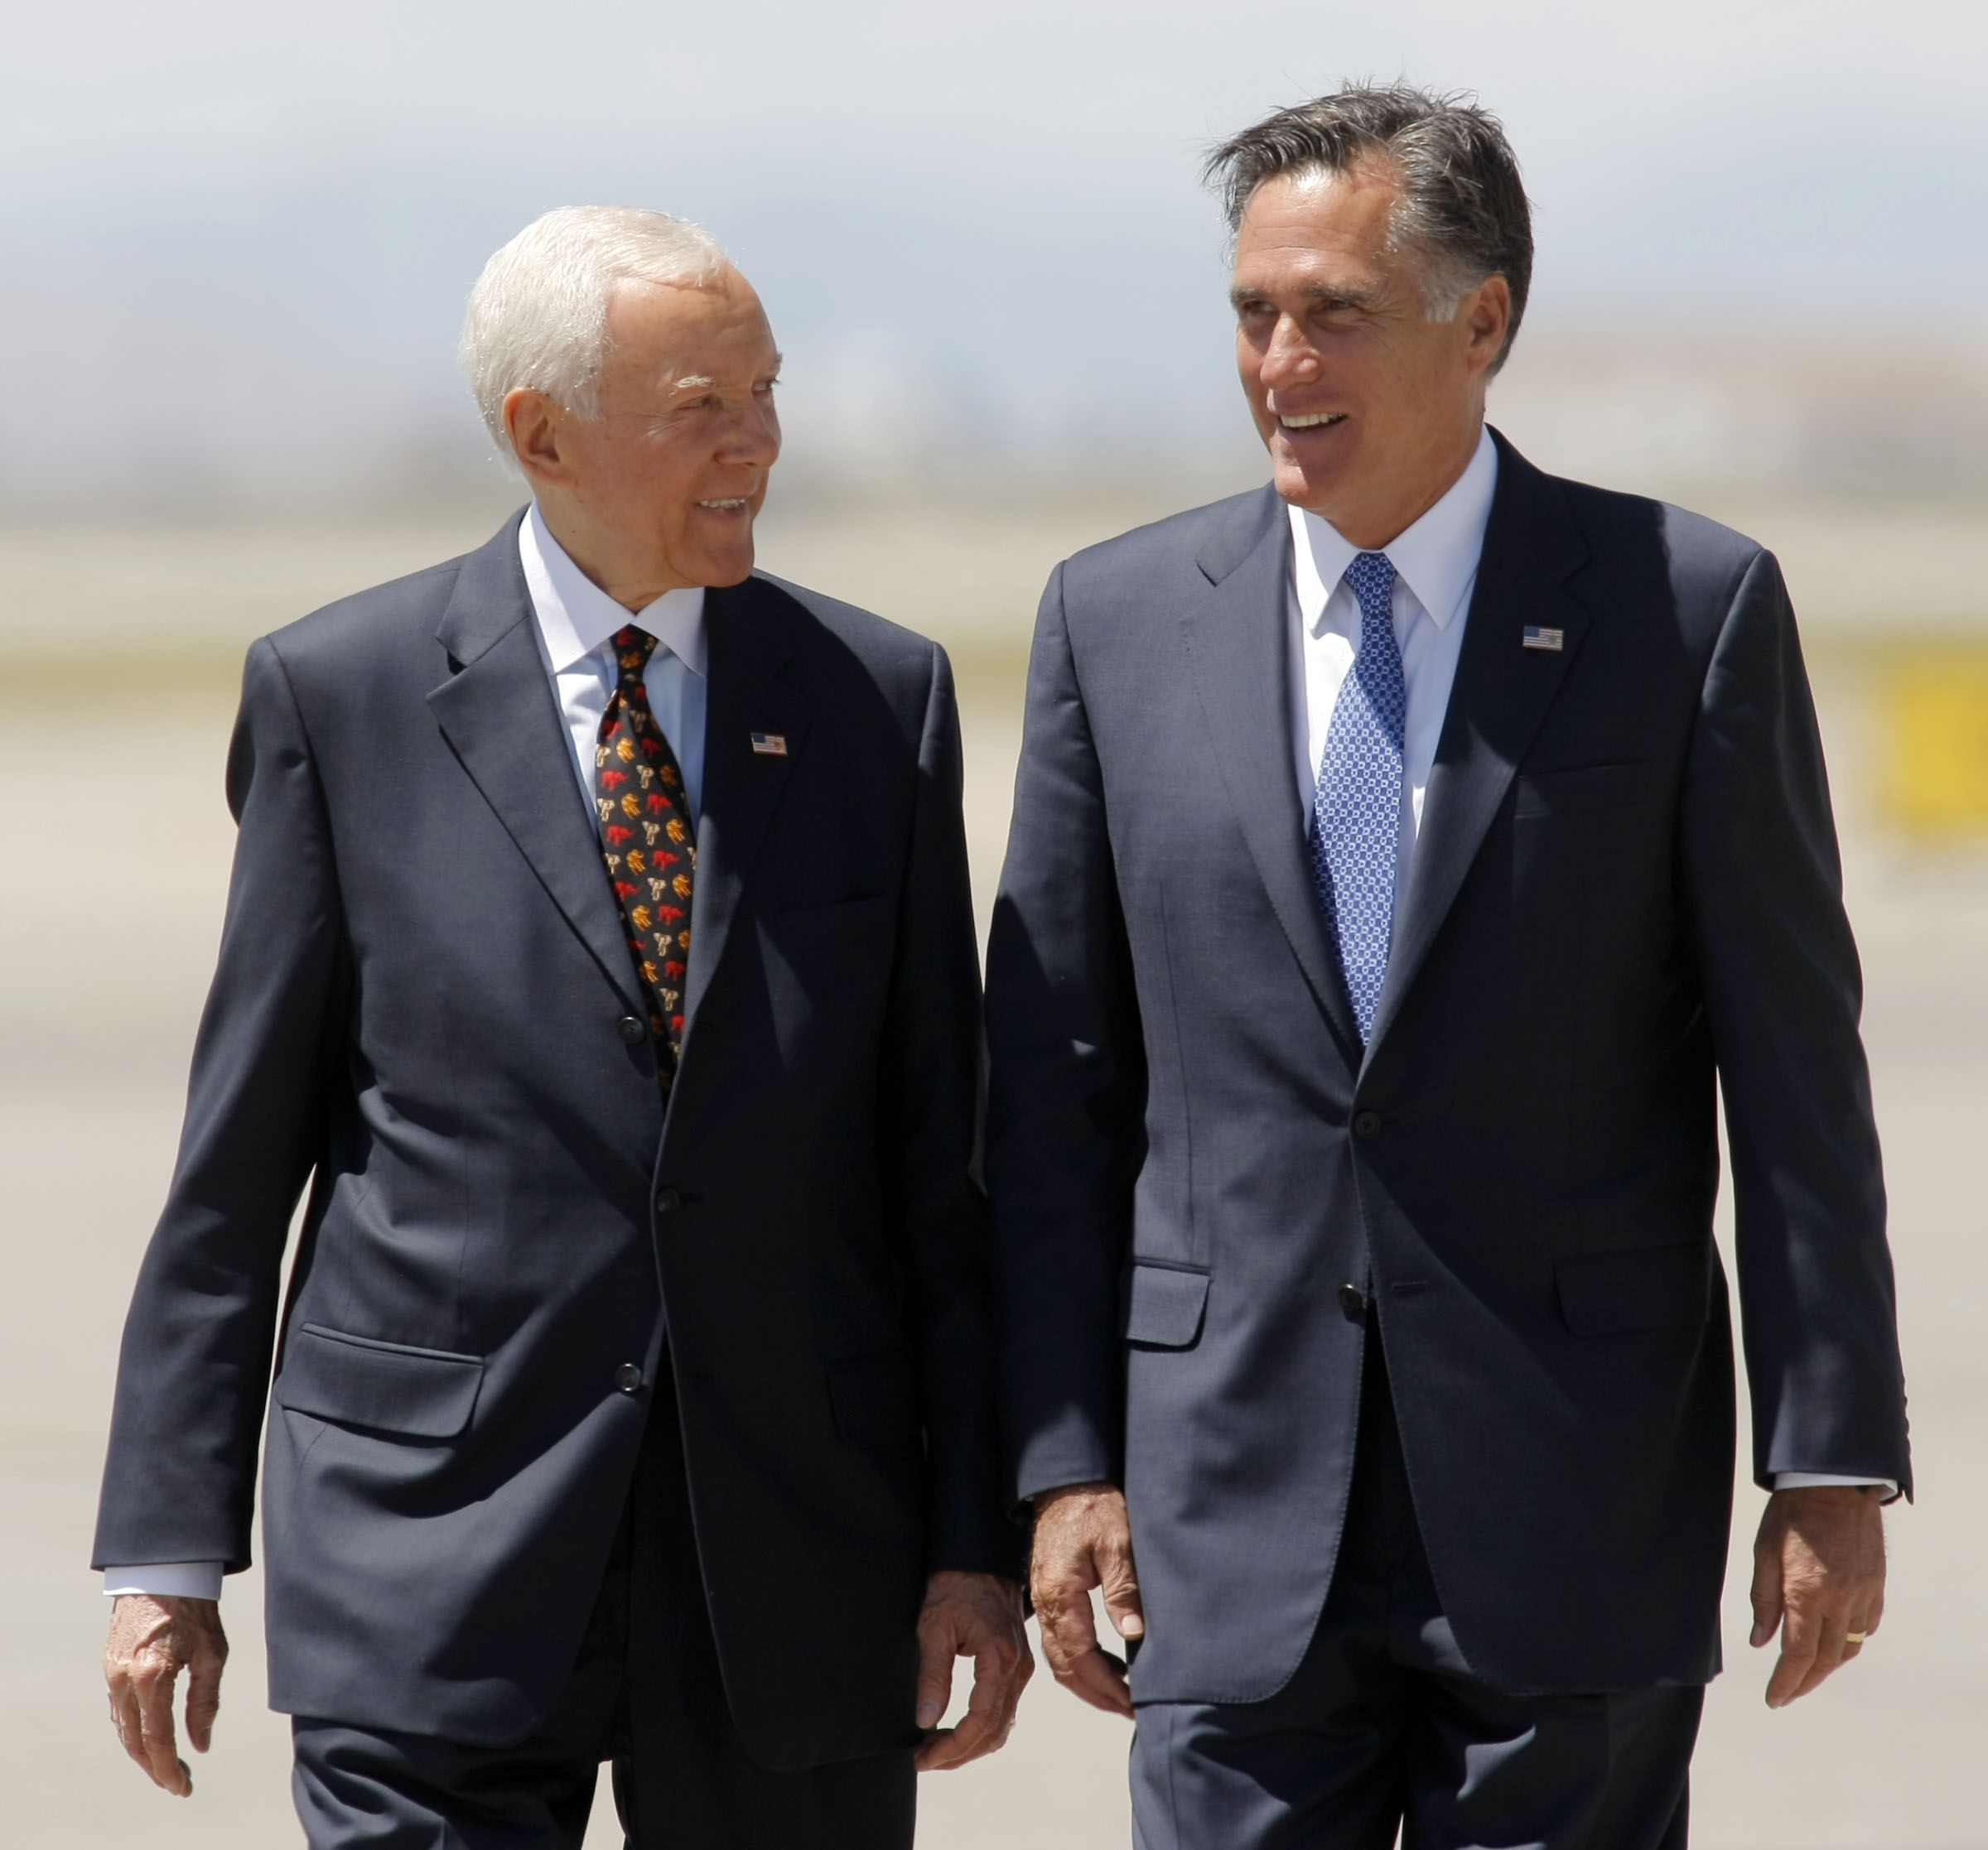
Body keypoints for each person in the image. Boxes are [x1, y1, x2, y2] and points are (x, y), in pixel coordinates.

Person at [985, 86, 1908, 1848]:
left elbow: (1796, 1073)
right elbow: (1051, 1101)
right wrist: (1060, 1459)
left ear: (1481, 319)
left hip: (1569, 1494)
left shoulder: (1682, 610)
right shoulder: (1117, 623)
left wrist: (1831, 1452)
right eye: (1253, 312)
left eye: (1333, 310)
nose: (1278, 358)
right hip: (1223, 1516)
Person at [94, 205, 1028, 1848]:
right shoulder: (345, 697)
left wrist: (974, 1539)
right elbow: (236, 1172)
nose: (761, 443)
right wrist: (170, 1557)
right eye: (703, 408)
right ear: (544, 432)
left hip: (793, 1573)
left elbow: (934, 1170)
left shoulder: (878, 703)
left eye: (768, 391)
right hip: (429, 1552)